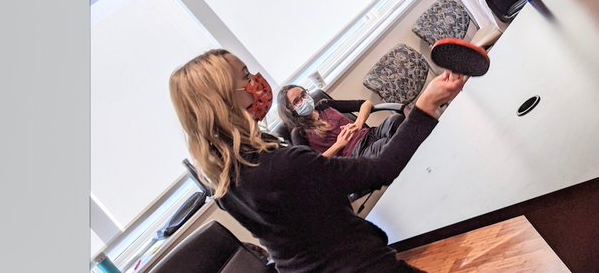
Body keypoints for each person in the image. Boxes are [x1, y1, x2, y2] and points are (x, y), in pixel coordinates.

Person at [169, 48, 465, 273]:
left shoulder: (222, 179)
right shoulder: (281, 165)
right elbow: (382, 168)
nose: (256, 82)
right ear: (224, 99)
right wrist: (426, 106)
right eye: (246, 77)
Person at [276, 84, 406, 160]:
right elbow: (312, 164)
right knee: (388, 144)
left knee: (396, 120)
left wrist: (358, 124)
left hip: (368, 134)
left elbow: (365, 104)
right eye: (297, 101)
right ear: (290, 110)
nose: (304, 100)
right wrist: (339, 144)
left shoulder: (324, 105)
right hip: (354, 155)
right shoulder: (299, 133)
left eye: (304, 94)